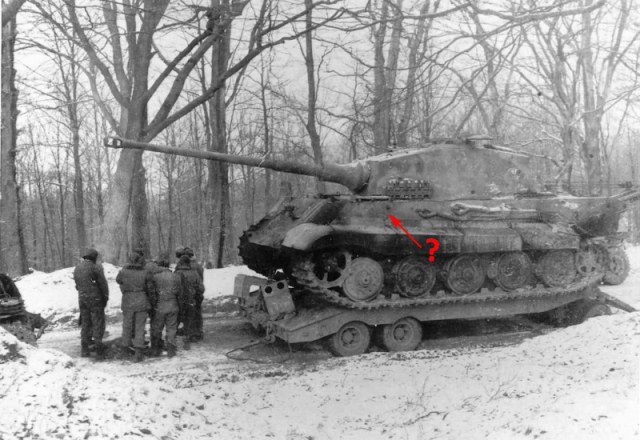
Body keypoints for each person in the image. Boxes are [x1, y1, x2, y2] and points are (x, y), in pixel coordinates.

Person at [73, 248, 109, 360]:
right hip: (95, 299)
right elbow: (103, 284)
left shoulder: (77, 268)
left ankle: (85, 349)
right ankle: (99, 350)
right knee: (98, 322)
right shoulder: (96, 268)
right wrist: (105, 297)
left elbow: (77, 285)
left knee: (85, 322)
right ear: (94, 257)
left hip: (82, 299)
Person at [116, 252, 151, 362]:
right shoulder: (145, 272)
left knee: (127, 326)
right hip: (141, 300)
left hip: (128, 301)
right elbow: (149, 287)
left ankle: (125, 351)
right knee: (140, 327)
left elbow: (118, 280)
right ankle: (138, 353)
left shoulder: (123, 272)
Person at [147, 255, 185, 357]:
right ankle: (171, 350)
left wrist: (153, 305)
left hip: (160, 306)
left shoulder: (155, 277)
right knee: (172, 328)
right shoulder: (176, 276)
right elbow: (180, 294)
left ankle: (155, 350)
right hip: (173, 305)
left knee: (157, 328)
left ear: (159, 265)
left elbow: (152, 293)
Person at [174, 252, 204, 349]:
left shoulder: (177, 273)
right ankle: (189, 337)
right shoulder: (194, 273)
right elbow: (201, 288)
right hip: (191, 299)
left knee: (177, 319)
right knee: (190, 318)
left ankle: (171, 340)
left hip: (178, 300)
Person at [183, 247, 204, 341]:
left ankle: (191, 333)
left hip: (189, 293)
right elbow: (201, 280)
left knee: (189, 314)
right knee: (198, 312)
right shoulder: (199, 266)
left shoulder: (187, 266)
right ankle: (199, 331)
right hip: (198, 291)